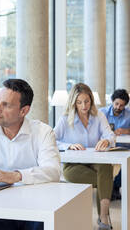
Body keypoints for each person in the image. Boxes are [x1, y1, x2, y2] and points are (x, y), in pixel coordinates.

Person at [0, 79, 61, 230]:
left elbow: (53, 171)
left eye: (6, 105)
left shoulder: (43, 132)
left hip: (34, 208)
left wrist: (16, 175)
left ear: (24, 111)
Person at [54, 83, 115, 230]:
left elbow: (111, 135)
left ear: (91, 101)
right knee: (105, 179)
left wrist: (107, 140)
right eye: (79, 102)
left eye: (87, 101)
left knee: (106, 168)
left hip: (96, 162)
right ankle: (104, 219)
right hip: (72, 166)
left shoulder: (99, 116)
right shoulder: (65, 119)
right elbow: (51, 140)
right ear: (73, 102)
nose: (84, 106)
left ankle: (104, 217)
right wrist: (68, 146)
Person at [100, 89, 130, 200]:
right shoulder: (102, 112)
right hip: (107, 148)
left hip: (124, 149)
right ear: (112, 101)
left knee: (125, 163)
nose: (118, 107)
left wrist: (126, 130)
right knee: (105, 164)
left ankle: (115, 187)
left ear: (125, 105)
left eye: (122, 105)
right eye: (116, 104)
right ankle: (107, 187)